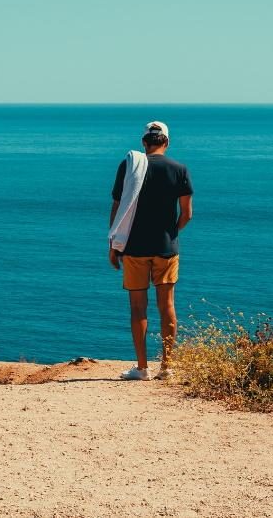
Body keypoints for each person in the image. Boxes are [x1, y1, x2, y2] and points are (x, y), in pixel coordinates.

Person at [109, 121, 193, 381]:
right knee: (167, 306)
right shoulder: (179, 169)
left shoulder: (129, 166)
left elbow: (117, 208)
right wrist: (171, 233)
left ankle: (142, 368)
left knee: (137, 308)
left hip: (134, 248)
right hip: (166, 249)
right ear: (166, 142)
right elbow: (187, 214)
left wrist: (113, 245)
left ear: (144, 142)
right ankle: (166, 367)